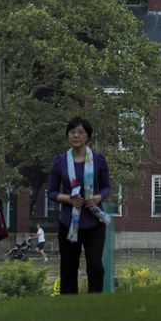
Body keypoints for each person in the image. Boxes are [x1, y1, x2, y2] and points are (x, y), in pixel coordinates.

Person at [46, 117, 113, 294]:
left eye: (81, 132)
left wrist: (98, 197)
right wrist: (69, 199)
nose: (76, 135)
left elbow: (107, 188)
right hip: (69, 223)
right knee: (68, 268)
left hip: (94, 222)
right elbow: (51, 192)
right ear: (67, 135)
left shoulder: (99, 159)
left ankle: (95, 304)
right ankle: (70, 309)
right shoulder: (59, 161)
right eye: (72, 132)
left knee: (95, 266)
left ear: (88, 136)